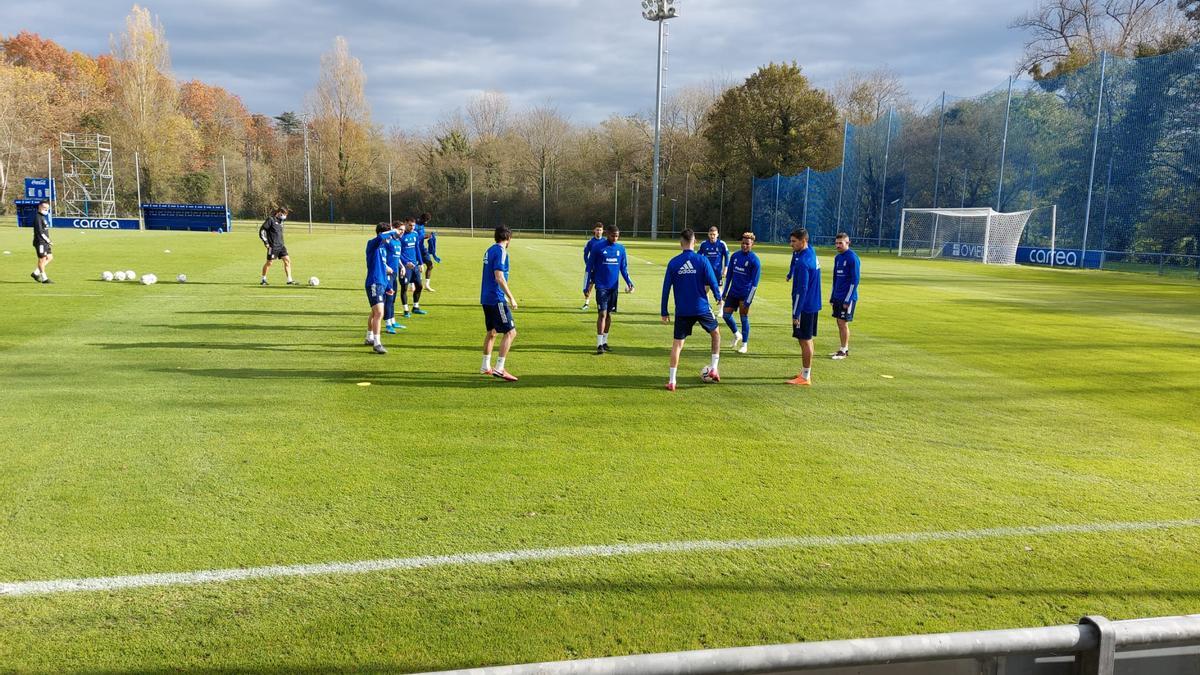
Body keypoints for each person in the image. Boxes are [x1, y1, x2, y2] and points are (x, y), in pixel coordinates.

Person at [660, 229, 723, 391]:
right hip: (701, 307)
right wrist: (717, 296)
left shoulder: (673, 263)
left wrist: (664, 311)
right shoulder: (702, 260)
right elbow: (713, 281)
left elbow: (666, 288)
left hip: (683, 310)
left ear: (681, 243)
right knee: (715, 334)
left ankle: (672, 381)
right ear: (694, 242)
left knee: (677, 345)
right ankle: (714, 368)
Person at [587, 224, 634, 354]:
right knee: (602, 313)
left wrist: (630, 282)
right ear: (607, 234)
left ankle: (605, 342)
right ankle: (599, 345)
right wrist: (586, 286)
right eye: (613, 235)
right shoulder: (597, 248)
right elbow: (589, 268)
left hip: (614, 287)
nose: (615, 238)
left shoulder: (621, 249)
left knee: (609, 315)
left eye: (617, 236)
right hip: (601, 286)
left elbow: (623, 268)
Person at [481, 225, 519, 382]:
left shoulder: (489, 250)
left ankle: (485, 366)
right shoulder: (501, 251)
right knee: (511, 332)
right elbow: (499, 276)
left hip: (485, 298)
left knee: (492, 332)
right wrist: (510, 297)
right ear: (509, 238)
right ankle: (499, 368)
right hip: (496, 298)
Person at [786, 228, 822, 386]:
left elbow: (802, 290)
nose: (791, 244)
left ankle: (805, 377)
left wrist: (796, 313)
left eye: (794, 241)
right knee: (808, 339)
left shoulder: (802, 263)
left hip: (804, 307)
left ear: (803, 241)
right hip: (813, 304)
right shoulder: (810, 252)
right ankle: (805, 372)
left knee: (804, 340)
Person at [722, 231, 762, 354]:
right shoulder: (735, 256)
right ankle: (736, 334)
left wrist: (749, 300)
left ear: (752, 244)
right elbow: (729, 276)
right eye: (743, 243)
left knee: (744, 318)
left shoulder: (755, 260)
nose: (745, 246)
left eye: (747, 244)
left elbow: (755, 284)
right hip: (733, 292)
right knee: (726, 315)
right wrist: (724, 292)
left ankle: (744, 344)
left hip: (745, 294)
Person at [364, 223, 398, 355]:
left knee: (374, 312)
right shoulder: (373, 244)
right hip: (374, 282)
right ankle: (377, 343)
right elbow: (382, 237)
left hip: (382, 283)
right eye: (389, 234)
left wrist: (388, 286)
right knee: (379, 313)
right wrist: (394, 230)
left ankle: (369, 337)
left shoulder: (384, 248)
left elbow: (384, 269)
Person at [830, 232, 860, 360]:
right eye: (836, 243)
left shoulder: (852, 258)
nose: (838, 245)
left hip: (847, 297)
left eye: (840, 243)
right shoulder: (838, 258)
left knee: (843, 323)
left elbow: (855, 280)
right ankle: (843, 348)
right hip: (837, 296)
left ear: (847, 243)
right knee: (839, 322)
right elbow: (835, 279)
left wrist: (848, 299)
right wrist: (832, 296)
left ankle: (843, 350)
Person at [258, 207, 296, 285]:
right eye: (284, 214)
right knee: (269, 263)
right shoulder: (270, 220)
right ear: (278, 212)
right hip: (272, 246)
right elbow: (262, 231)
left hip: (281, 246)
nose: (284, 216)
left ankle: (289, 280)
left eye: (286, 215)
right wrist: (266, 242)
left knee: (287, 261)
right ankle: (263, 279)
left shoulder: (281, 221)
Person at [382, 221, 408, 334]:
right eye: (400, 229)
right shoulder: (388, 241)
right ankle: (388, 324)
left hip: (395, 274)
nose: (402, 231)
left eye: (403, 230)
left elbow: (397, 257)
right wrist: (386, 267)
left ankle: (393, 321)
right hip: (387, 274)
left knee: (393, 299)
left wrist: (402, 267)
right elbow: (381, 256)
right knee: (388, 299)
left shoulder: (398, 242)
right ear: (394, 229)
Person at [400, 218, 427, 316]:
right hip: (405, 267)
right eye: (410, 225)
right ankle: (406, 310)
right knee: (405, 288)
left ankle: (415, 307)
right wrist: (406, 262)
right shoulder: (401, 236)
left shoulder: (415, 234)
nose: (412, 227)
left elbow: (417, 249)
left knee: (419, 286)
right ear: (405, 224)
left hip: (415, 266)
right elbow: (398, 253)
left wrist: (420, 263)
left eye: (413, 225)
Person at [580, 222, 605, 310]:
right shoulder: (590, 242)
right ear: (594, 230)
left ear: (603, 231)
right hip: (592, 269)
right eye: (597, 230)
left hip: (602, 269)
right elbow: (585, 255)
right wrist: (589, 265)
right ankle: (586, 303)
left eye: (600, 230)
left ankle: (603, 304)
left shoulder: (605, 241)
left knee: (602, 287)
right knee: (589, 286)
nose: (599, 231)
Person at [31, 200, 53, 283]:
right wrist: (48, 240)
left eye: (47, 208)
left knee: (50, 257)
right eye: (44, 207)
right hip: (40, 242)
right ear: (39, 207)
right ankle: (44, 278)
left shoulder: (43, 217)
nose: (46, 209)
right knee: (42, 259)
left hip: (45, 242)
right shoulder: (38, 218)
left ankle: (35, 273)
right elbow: (40, 232)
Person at [416, 212, 437, 292]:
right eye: (426, 220)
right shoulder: (415, 226)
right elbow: (415, 237)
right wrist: (425, 236)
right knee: (416, 267)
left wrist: (429, 236)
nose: (426, 222)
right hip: (415, 249)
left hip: (422, 248)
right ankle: (414, 285)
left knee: (430, 265)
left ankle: (427, 285)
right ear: (422, 219)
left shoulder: (422, 225)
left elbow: (421, 236)